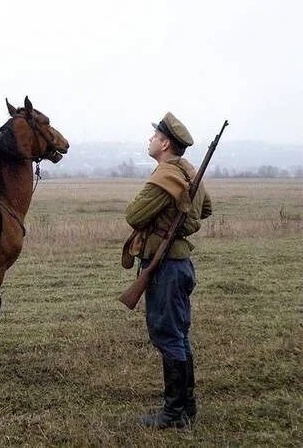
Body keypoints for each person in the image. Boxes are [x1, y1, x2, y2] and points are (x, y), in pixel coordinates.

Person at [124, 112, 212, 429]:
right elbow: (206, 209)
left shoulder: (165, 176)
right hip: (180, 263)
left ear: (164, 143)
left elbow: (133, 215)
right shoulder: (189, 172)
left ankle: (174, 414)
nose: (149, 140)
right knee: (179, 335)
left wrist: (162, 217)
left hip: (165, 266)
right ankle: (186, 407)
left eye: (154, 136)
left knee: (167, 335)